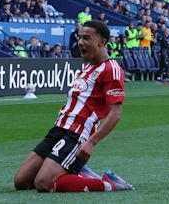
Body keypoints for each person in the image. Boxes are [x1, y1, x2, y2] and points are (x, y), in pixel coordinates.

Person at [14, 20, 133, 193]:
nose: (80, 42)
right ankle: (75, 172)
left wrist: (92, 142)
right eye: (79, 38)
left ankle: (110, 184)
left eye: (86, 38)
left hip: (77, 135)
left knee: (43, 183)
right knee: (21, 181)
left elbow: (115, 114)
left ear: (102, 42)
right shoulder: (86, 67)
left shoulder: (111, 69)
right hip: (58, 130)